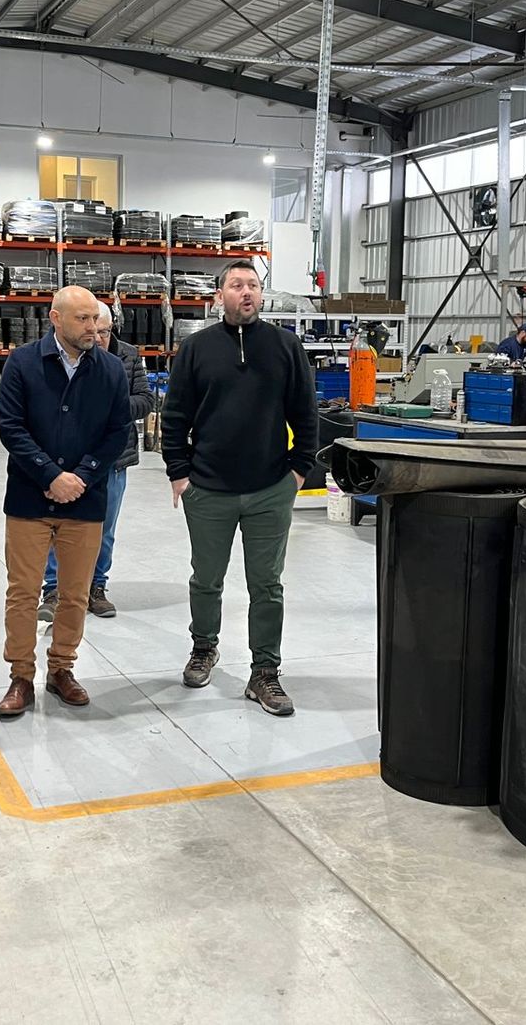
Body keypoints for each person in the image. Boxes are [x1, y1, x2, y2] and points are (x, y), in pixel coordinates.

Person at [161, 259, 318, 717]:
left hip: (271, 487)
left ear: (261, 294)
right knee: (206, 579)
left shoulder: (286, 346)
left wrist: (297, 472)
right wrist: (180, 473)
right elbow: (175, 418)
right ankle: (203, 648)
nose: (245, 291)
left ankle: (264, 672)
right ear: (219, 296)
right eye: (236, 284)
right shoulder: (196, 349)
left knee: (267, 585)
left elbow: (306, 416)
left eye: (253, 284)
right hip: (208, 489)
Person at [0, 285, 131, 718]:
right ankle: (20, 676)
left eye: (95, 319)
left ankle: (61, 670)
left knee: (73, 594)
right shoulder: (22, 363)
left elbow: (116, 432)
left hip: (86, 502)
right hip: (29, 499)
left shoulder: (110, 369)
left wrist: (83, 477)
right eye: (83, 319)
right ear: (55, 319)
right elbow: (10, 426)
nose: (93, 327)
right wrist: (50, 475)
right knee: (23, 593)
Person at [39, 303, 154, 621]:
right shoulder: (69, 353)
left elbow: (145, 399)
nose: (97, 336)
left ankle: (96, 587)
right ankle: (54, 588)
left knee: (105, 528)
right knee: (58, 525)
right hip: (68, 459)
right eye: (91, 328)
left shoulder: (128, 354)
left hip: (114, 461)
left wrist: (112, 406)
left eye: (104, 330)